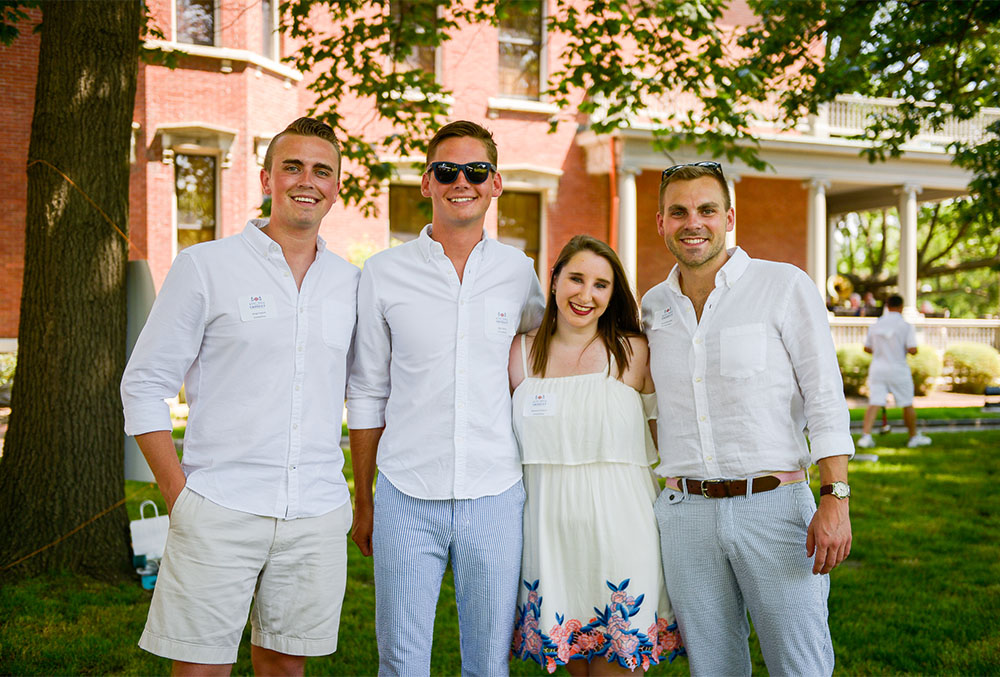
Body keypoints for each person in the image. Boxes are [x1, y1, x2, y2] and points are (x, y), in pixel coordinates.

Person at [121, 117, 358, 676]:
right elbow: (145, 382)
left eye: (322, 170)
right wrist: (177, 493)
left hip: (316, 511)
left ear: (336, 187)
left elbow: (370, 390)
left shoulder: (352, 284)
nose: (307, 180)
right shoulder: (206, 266)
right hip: (219, 505)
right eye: (292, 167)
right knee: (200, 667)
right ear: (266, 179)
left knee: (285, 665)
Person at [347, 120, 545, 675]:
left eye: (476, 170)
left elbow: (544, 350)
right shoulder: (383, 273)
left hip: (495, 492)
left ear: (495, 183)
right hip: (406, 491)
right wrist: (364, 499)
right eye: (447, 170)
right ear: (426, 182)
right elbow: (367, 390)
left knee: (488, 664)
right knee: (400, 660)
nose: (462, 181)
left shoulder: (518, 273)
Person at [642, 161, 854, 676]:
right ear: (661, 222)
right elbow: (650, 407)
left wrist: (836, 496)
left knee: (800, 665)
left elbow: (825, 395)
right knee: (713, 668)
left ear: (729, 217)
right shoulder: (653, 307)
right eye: (679, 212)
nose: (693, 222)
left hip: (775, 508)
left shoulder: (783, 285)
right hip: (685, 515)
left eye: (707, 209)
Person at [509, 235, 683, 674]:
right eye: (576, 279)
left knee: (616, 666)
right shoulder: (519, 354)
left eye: (601, 285)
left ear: (612, 293)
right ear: (553, 281)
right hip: (548, 536)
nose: (586, 295)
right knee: (575, 664)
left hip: (622, 530)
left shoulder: (634, 352)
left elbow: (669, 439)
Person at [857, 294, 931, 449]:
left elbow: (867, 348)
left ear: (887, 305)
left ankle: (866, 436)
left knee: (874, 402)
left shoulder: (876, 324)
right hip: (898, 368)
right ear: (901, 307)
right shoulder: (905, 326)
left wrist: (882, 349)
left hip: (878, 368)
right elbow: (912, 349)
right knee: (907, 403)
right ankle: (913, 437)